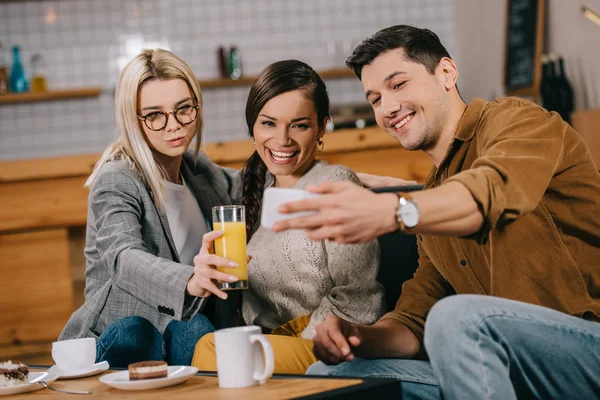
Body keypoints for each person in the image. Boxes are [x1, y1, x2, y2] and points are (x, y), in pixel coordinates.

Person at [273, 25, 600, 399]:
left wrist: (394, 210)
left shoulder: (517, 121)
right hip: (504, 368)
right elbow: (416, 320)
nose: (388, 108)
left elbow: (490, 191)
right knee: (332, 374)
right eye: (375, 98)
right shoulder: (432, 198)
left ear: (446, 72)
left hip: (585, 349)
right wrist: (356, 336)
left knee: (457, 317)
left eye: (399, 85)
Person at [192, 60, 386, 374]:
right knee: (206, 341)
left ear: (322, 127)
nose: (282, 139)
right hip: (273, 344)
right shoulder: (254, 195)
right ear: (252, 128)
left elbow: (358, 298)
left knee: (212, 349)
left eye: (299, 125)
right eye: (269, 123)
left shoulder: (334, 184)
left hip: (330, 345)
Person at [59, 49, 244, 367]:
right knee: (182, 329)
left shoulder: (196, 168)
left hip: (187, 327)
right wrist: (189, 280)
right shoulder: (117, 178)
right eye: (155, 115)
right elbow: (122, 257)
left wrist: (346, 180)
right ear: (134, 121)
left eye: (184, 109)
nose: (174, 125)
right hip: (127, 332)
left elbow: (254, 185)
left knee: (197, 328)